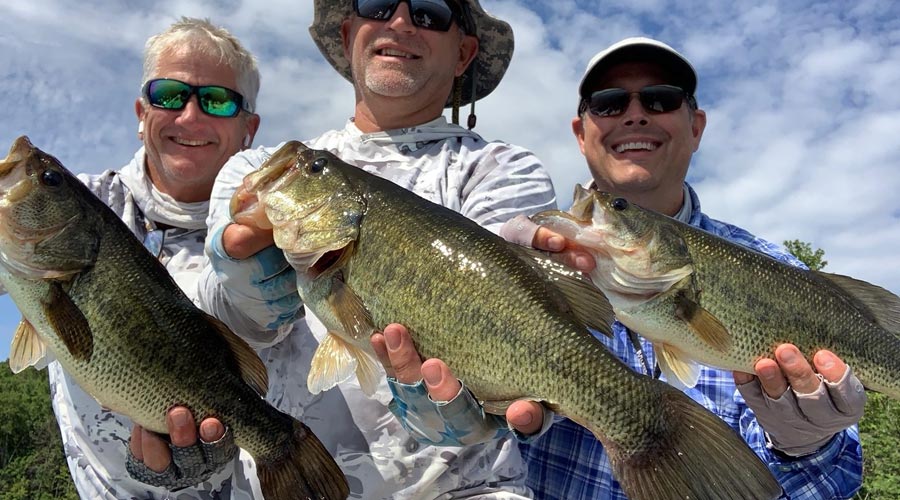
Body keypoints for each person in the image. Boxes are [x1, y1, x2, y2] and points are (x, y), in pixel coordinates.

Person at [179, 0, 555, 497]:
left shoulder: (501, 170)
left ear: (464, 52)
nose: (399, 22)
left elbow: (518, 326)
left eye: (429, 11)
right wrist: (246, 281)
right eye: (377, 4)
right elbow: (235, 332)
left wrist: (457, 412)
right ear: (350, 29)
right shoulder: (267, 167)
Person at [506, 37, 864, 499]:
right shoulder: (522, 251)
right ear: (580, 132)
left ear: (695, 126)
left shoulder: (782, 271)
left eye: (660, 99)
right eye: (609, 103)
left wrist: (809, 446)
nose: (635, 114)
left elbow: (835, 484)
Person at [43, 17, 268, 499]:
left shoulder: (273, 233)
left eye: (218, 100)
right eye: (169, 94)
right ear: (142, 112)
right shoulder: (83, 207)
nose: (190, 116)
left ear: (248, 129)